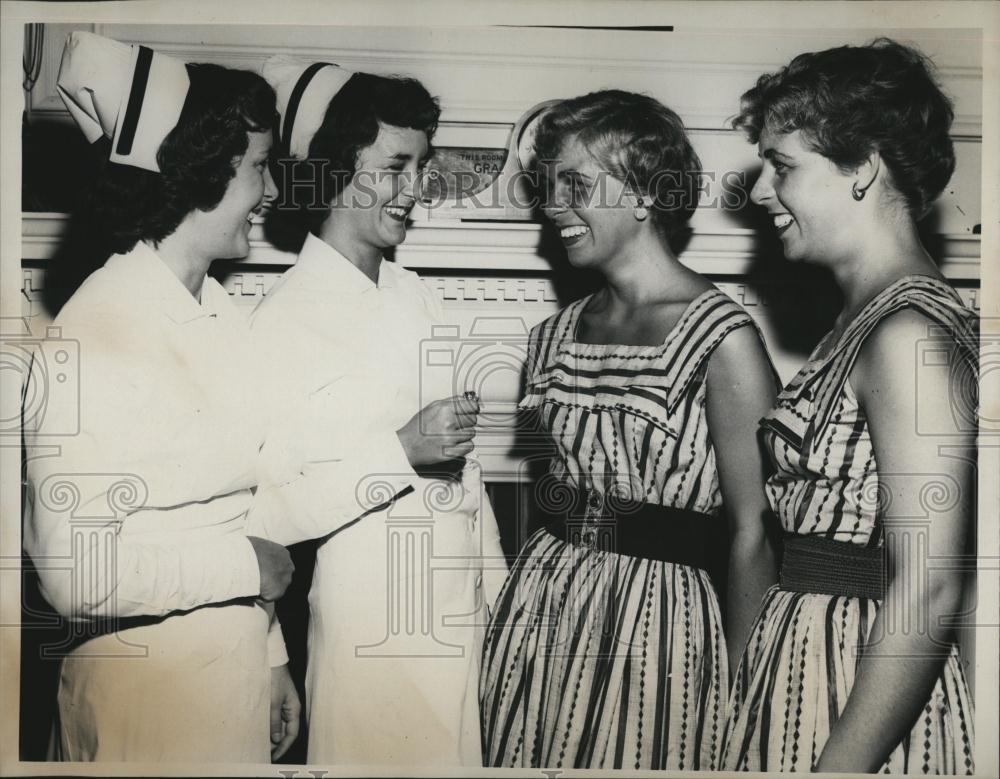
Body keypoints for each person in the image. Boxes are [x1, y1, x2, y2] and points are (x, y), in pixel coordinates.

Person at [21, 32, 302, 762]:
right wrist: (247, 571)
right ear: (204, 173)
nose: (270, 193)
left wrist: (270, 655)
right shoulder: (97, 331)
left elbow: (235, 511)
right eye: (258, 169)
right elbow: (73, 574)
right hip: (144, 698)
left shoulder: (219, 312)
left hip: (229, 680)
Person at [479, 89, 779, 770]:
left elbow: (753, 533)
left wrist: (738, 690)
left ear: (646, 192)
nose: (553, 204)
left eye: (575, 184)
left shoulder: (722, 338)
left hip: (661, 628)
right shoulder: (549, 337)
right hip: (543, 613)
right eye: (547, 185)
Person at [720, 39, 977, 774]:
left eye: (785, 165)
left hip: (852, 686)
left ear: (862, 166)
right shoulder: (866, 318)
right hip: (806, 664)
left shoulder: (908, 333)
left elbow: (927, 582)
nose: (764, 190)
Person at [251, 57, 508, 765]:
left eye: (421, 169)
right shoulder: (283, 320)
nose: (415, 191)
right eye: (397, 166)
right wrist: (398, 449)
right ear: (336, 167)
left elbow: (470, 474)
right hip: (372, 639)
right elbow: (269, 515)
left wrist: (500, 600)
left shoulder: (420, 297)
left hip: (463, 626)